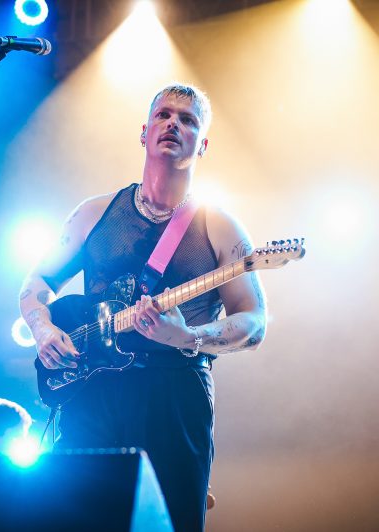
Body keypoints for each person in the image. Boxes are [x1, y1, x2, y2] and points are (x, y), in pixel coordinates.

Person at [19, 83, 266, 531]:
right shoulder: (93, 214)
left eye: (188, 120)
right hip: (92, 389)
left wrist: (189, 337)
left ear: (202, 144)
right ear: (144, 132)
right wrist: (43, 328)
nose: (173, 124)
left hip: (175, 391)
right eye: (163, 115)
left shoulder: (220, 226)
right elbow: (35, 284)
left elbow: (254, 320)